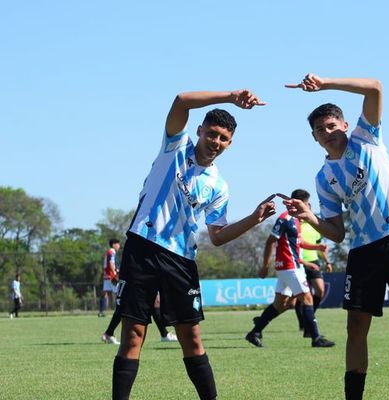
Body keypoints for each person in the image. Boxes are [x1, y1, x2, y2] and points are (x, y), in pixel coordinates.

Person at [112, 88, 276, 400]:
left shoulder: (219, 185)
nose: (216, 142)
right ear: (199, 131)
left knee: (192, 338)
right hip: (143, 248)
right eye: (212, 134)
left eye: (224, 139)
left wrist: (255, 218)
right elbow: (181, 101)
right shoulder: (174, 147)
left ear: (230, 144)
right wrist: (230, 97)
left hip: (181, 261)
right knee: (133, 336)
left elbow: (217, 235)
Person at [284, 74, 389, 400]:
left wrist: (324, 84)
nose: (328, 131)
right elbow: (336, 233)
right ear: (314, 138)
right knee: (355, 327)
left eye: (333, 124)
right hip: (363, 250)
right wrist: (310, 217)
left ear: (345, 124)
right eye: (321, 129)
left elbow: (375, 87)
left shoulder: (367, 138)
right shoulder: (323, 177)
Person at [245, 189, 335, 348]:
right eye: (307, 204)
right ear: (299, 203)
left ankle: (255, 333)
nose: (308, 207)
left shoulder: (297, 220)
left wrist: (316, 247)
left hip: (291, 267)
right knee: (307, 299)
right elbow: (270, 241)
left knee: (279, 305)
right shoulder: (284, 219)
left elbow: (297, 244)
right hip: (289, 266)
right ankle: (315, 337)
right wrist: (265, 266)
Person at [293, 195, 333, 337]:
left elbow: (320, 247)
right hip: (300, 263)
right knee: (298, 298)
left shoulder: (314, 226)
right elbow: (299, 244)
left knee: (320, 291)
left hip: (314, 262)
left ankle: (309, 320)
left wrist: (327, 261)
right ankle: (305, 325)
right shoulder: (295, 225)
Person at [101, 293, 178, 345]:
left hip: (135, 276)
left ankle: (164, 334)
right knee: (123, 304)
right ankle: (109, 333)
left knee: (155, 302)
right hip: (134, 276)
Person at [99, 239, 121, 317]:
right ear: (113, 244)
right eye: (118, 244)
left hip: (106, 276)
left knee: (105, 293)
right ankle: (119, 310)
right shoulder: (112, 252)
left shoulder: (107, 252)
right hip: (111, 276)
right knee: (118, 292)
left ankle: (101, 311)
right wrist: (115, 273)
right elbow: (111, 263)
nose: (119, 246)